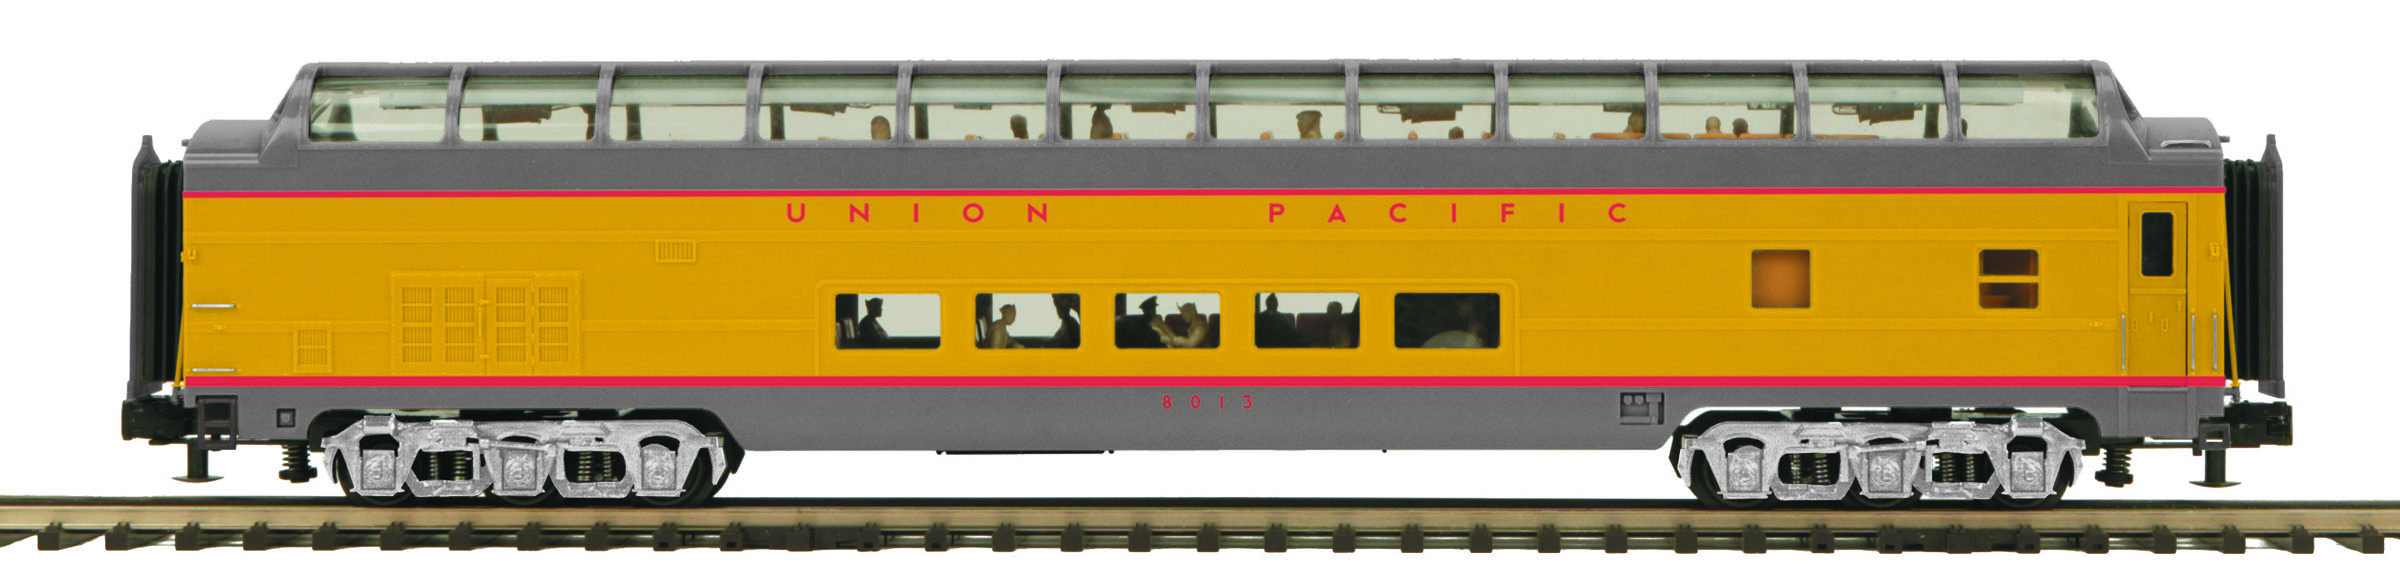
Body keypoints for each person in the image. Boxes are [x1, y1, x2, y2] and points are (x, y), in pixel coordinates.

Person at [1421, 296, 1490, 348]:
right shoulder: (1464, 326)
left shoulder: (1479, 328)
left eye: (1462, 303)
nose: (1459, 307)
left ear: (1470, 304)